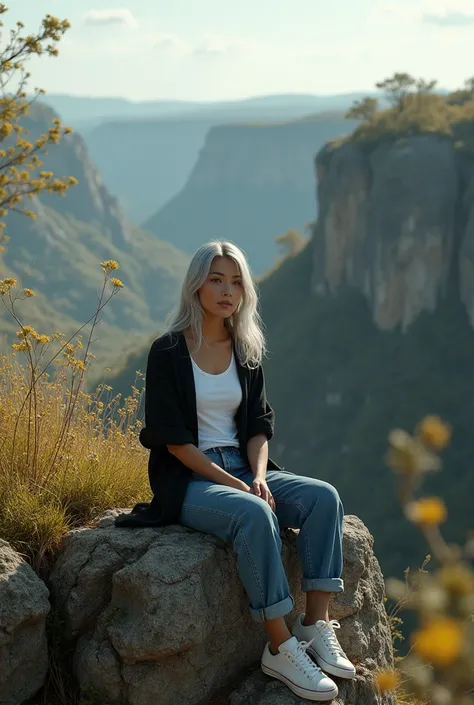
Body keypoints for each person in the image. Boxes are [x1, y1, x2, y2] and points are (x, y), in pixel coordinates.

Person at [117, 241, 355, 702]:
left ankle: (313, 626)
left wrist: (259, 476)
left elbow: (258, 427)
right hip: (190, 479)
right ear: (196, 285)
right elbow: (174, 441)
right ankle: (280, 646)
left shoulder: (245, 349)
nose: (228, 290)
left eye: (236, 281)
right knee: (253, 514)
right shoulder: (167, 351)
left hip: (245, 466)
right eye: (216, 279)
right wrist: (236, 485)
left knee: (323, 497)